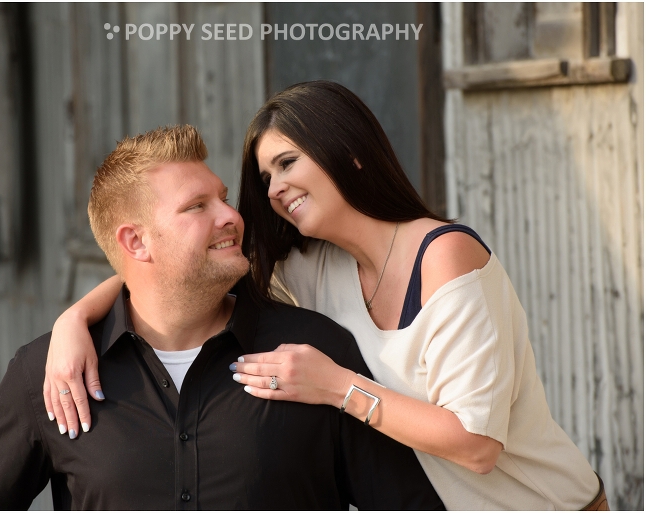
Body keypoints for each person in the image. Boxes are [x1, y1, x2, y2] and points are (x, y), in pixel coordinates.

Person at [45, 83, 607, 510]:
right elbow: (175, 274)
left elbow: (477, 445)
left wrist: (339, 387)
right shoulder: (312, 270)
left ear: (350, 151)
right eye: (265, 176)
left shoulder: (446, 257)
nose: (273, 188)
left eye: (287, 163)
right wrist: (77, 319)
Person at [0, 125, 443, 510]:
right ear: (136, 242)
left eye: (222, 197)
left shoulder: (315, 352)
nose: (231, 215)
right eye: (197, 206)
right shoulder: (47, 375)